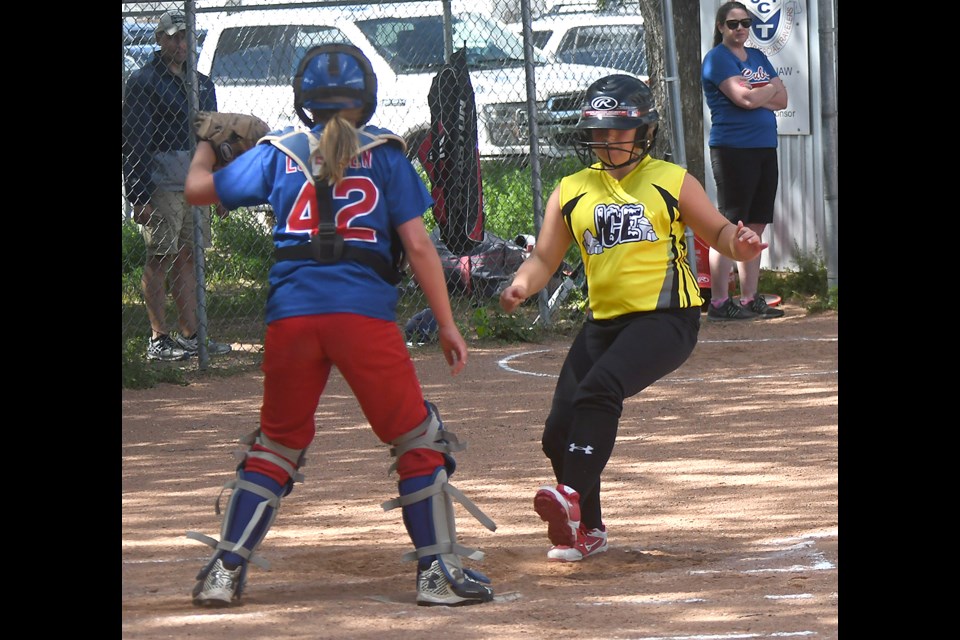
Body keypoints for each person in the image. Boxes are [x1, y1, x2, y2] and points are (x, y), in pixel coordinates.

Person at [183, 43, 496, 607]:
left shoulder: (278, 151)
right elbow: (420, 247)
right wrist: (447, 324)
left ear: (303, 102)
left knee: (277, 444)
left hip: (292, 318)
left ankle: (224, 571)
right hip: (363, 318)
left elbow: (197, 190)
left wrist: (208, 145)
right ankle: (435, 573)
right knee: (416, 438)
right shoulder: (387, 155)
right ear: (367, 99)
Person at [498, 74, 767, 562]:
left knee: (599, 390)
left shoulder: (670, 180)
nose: (606, 141)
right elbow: (542, 260)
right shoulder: (572, 190)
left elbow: (721, 231)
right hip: (604, 323)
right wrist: (520, 285)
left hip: (667, 319)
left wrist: (739, 243)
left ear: (644, 131)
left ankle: (570, 499)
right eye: (598, 131)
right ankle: (589, 530)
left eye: (618, 131)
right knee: (558, 431)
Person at [122, 10, 232, 360]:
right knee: (160, 256)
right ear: (159, 39)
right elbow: (134, 140)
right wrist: (138, 194)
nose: (181, 44)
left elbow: (212, 139)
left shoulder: (201, 84)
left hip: (196, 184)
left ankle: (191, 335)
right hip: (161, 184)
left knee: (189, 257)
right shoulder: (143, 82)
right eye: (173, 37)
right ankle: (159, 339)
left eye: (185, 37)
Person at [701, 1, 788, 320]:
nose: (741, 29)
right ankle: (721, 302)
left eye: (745, 23)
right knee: (731, 225)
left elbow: (783, 98)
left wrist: (759, 90)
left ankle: (750, 299)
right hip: (733, 149)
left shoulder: (758, 57)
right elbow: (746, 99)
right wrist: (765, 90)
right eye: (733, 24)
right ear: (721, 27)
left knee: (756, 225)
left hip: (764, 146)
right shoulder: (717, 59)